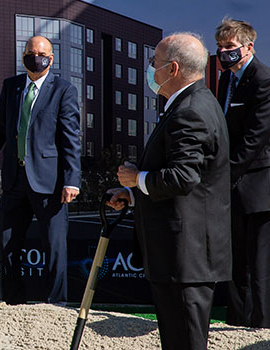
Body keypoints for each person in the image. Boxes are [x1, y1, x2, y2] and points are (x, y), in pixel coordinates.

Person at [107, 33, 231, 349]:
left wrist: (138, 179)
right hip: (179, 258)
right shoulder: (190, 105)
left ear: (172, 69)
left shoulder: (191, 111)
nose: (150, 70)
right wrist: (134, 194)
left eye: (154, 63)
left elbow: (183, 177)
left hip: (185, 258)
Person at [0, 35, 81, 305]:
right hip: (14, 181)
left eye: (40, 53)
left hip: (50, 183)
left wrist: (72, 180)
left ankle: (56, 305)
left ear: (51, 59)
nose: (34, 57)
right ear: (23, 55)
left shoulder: (64, 90)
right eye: (29, 52)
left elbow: (71, 139)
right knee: (7, 244)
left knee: (55, 248)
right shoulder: (12, 87)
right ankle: (13, 303)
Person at [215, 18, 270, 328]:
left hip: (259, 185)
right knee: (235, 263)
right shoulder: (225, 80)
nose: (224, 52)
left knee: (259, 264)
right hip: (232, 186)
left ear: (249, 47)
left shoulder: (264, 80)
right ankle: (236, 324)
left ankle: (262, 326)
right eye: (220, 48)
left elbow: (255, 138)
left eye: (230, 47)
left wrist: (226, 174)